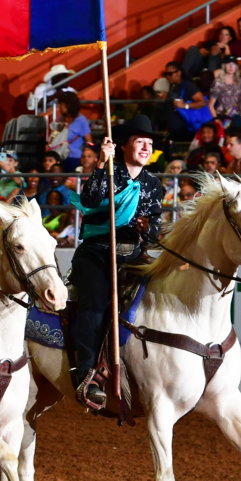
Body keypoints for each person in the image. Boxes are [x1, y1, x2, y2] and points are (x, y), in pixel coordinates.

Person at [70, 115, 164, 410]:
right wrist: (101, 163)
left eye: (149, 143)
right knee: (97, 304)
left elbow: (155, 230)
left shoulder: (153, 184)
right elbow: (90, 198)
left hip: (134, 255)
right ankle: (87, 376)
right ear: (124, 146)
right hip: (98, 252)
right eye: (140, 142)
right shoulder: (109, 171)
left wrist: (143, 227)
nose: (146, 147)